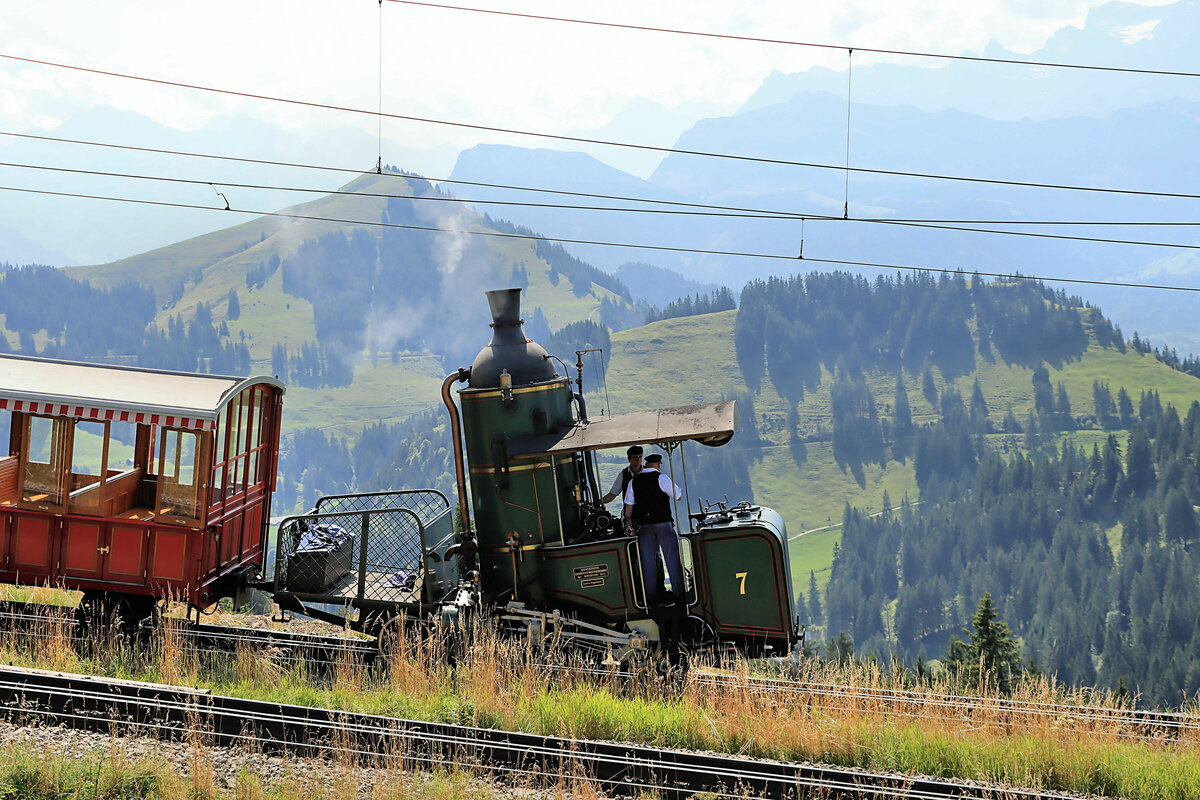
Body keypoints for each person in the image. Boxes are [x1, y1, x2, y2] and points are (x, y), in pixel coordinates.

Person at [623, 453, 685, 607]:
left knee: (648, 563)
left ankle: (650, 597)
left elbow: (629, 506)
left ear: (646, 465)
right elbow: (678, 496)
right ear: (658, 464)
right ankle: (679, 595)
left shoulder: (634, 482)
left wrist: (628, 524)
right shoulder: (661, 478)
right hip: (663, 525)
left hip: (644, 528)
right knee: (672, 560)